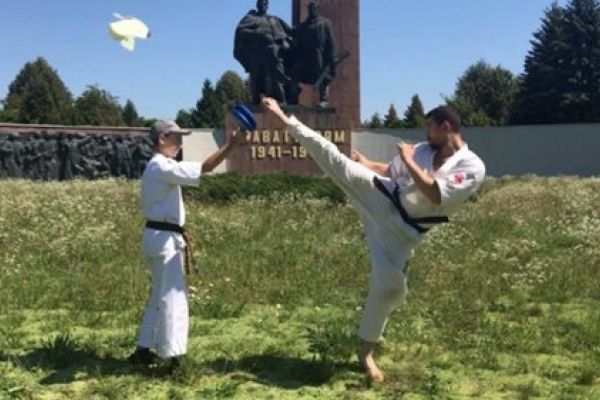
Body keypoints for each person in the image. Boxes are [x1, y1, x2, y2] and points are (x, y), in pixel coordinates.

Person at [261, 96, 486, 383]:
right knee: (336, 160)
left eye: (430, 127)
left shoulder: (471, 166)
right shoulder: (421, 150)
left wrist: (407, 159)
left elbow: (435, 194)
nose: (426, 134)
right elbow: (391, 172)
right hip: (385, 197)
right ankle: (285, 119)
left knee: (389, 289)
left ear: (446, 127)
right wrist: (368, 163)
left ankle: (365, 351)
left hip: (405, 232)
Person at [128, 119, 242, 371]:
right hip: (164, 240)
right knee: (174, 297)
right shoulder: (161, 165)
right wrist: (231, 145)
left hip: (158, 236)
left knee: (158, 295)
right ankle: (175, 360)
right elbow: (206, 167)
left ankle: (143, 349)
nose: (180, 143)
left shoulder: (157, 166)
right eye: (176, 138)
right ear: (162, 139)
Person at [234, 0, 292, 104]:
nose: (263, 5)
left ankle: (282, 102)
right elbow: (240, 31)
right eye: (261, 3)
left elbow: (289, 32)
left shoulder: (274, 19)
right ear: (257, 5)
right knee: (256, 78)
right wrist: (255, 33)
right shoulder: (251, 18)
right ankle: (255, 101)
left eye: (265, 3)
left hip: (274, 53)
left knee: (278, 78)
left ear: (267, 5)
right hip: (258, 53)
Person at [288, 1, 336, 106]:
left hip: (318, 56)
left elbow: (330, 42)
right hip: (304, 57)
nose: (312, 10)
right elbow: (294, 36)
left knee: (322, 77)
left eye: (314, 8)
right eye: (310, 8)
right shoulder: (303, 26)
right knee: (295, 75)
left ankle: (323, 99)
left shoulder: (324, 23)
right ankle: (293, 98)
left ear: (318, 9)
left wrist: (331, 57)